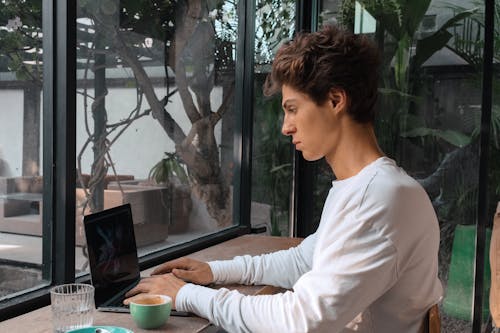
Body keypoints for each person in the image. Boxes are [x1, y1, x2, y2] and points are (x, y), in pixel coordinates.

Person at [124, 25, 443, 332]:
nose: (285, 127)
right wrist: (212, 271)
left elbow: (301, 322)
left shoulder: (376, 198)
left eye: (292, 109)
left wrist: (185, 295)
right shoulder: (368, 187)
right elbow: (304, 260)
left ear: (335, 100)